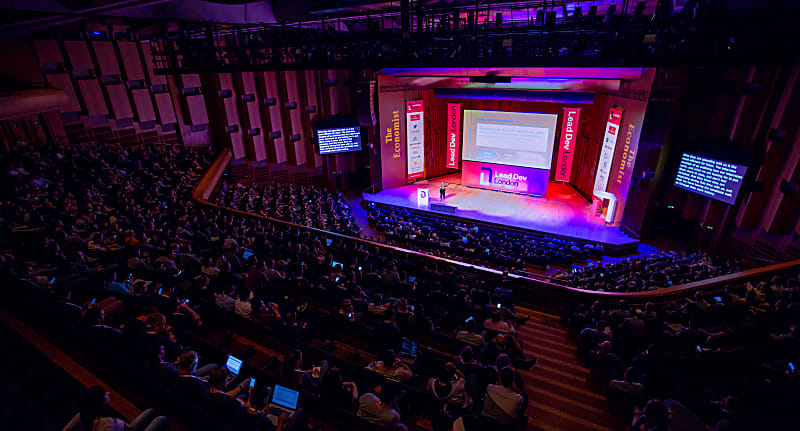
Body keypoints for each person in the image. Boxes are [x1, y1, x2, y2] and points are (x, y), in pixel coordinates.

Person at [63, 386, 168, 431]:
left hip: (127, 428)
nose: (108, 394)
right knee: (161, 419)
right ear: (101, 402)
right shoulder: (106, 423)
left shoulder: (83, 414)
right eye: (105, 395)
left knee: (151, 411)